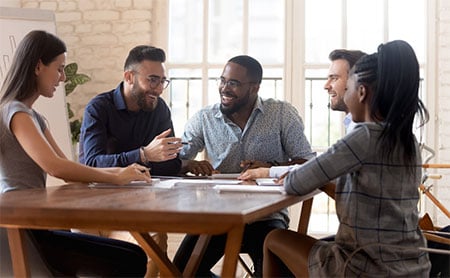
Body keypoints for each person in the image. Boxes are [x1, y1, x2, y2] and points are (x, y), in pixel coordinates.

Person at [263, 40, 431, 277]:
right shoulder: (406, 140)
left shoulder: (363, 136)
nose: (345, 94)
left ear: (361, 93)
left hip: (364, 268)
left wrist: (304, 173)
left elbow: (295, 183)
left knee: (274, 238)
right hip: (413, 266)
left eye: (348, 88)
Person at [0, 30, 150, 277]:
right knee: (130, 259)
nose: (62, 78)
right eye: (59, 68)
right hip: (23, 231)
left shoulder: (34, 116)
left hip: (38, 226)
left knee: (132, 257)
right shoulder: (15, 113)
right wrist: (115, 177)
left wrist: (125, 173)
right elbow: (54, 168)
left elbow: (67, 168)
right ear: (39, 66)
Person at [173, 55, 315, 277]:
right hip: (218, 216)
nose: (224, 89)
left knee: (274, 273)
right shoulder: (204, 118)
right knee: (180, 271)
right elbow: (174, 161)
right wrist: (188, 164)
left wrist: (270, 167)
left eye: (234, 83)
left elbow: (306, 162)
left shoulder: (280, 114)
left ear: (255, 87)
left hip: (267, 217)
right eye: (222, 80)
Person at [78, 45, 181, 277]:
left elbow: (172, 165)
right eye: (153, 80)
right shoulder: (99, 107)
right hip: (93, 211)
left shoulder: (159, 109)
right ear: (129, 77)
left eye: (163, 81)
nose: (159, 89)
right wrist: (143, 155)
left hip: (136, 212)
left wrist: (174, 160)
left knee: (155, 237)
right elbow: (92, 164)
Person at [239, 49, 366, 181]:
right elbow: (325, 170)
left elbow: (324, 170)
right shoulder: (353, 125)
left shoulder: (364, 132)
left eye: (334, 78)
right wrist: (270, 172)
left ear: (357, 83)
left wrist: (278, 173)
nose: (326, 86)